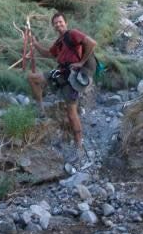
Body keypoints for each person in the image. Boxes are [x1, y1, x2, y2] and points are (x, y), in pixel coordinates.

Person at [27, 12, 97, 163]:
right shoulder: (60, 41)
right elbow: (47, 54)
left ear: (66, 22)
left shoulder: (72, 34)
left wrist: (80, 62)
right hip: (61, 72)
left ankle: (79, 146)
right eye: (56, 23)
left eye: (60, 22)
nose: (58, 24)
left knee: (71, 112)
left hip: (72, 75)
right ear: (53, 26)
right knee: (33, 78)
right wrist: (35, 44)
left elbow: (92, 43)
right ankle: (41, 108)